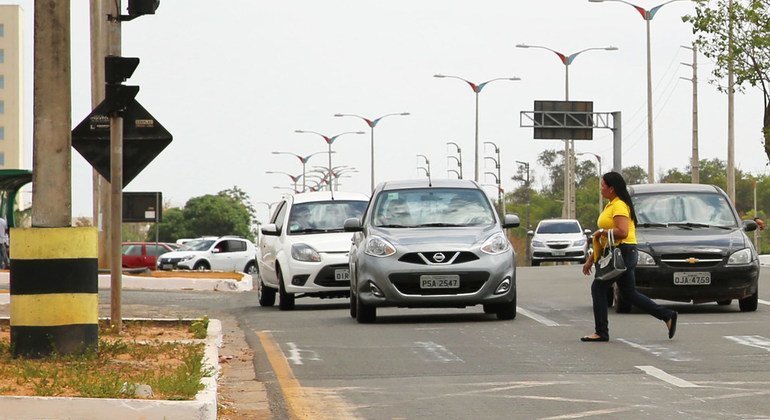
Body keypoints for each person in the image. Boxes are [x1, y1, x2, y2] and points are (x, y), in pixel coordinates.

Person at [580, 172, 678, 342]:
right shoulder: (611, 205)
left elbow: (622, 232)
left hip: (623, 251)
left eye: (603, 185)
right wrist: (590, 259)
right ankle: (667, 315)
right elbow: (606, 239)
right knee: (629, 293)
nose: (601, 189)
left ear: (611, 188)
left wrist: (601, 231)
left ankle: (601, 332)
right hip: (622, 251)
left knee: (599, 288)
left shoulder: (619, 206)